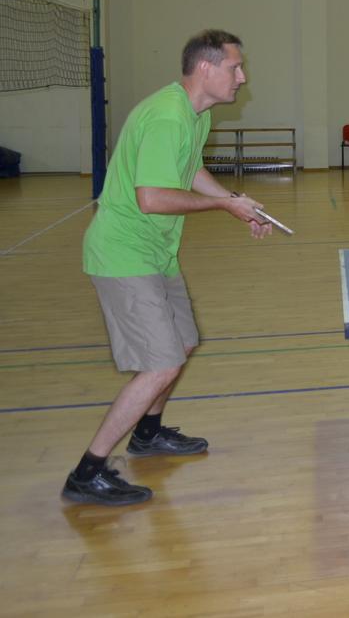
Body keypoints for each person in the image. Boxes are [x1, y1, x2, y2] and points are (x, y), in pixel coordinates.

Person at [63, 30, 274, 506]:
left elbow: (189, 169)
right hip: (124, 254)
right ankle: (88, 471)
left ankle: (148, 434)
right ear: (205, 68)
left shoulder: (196, 115)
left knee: (182, 343)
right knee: (162, 365)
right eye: (235, 68)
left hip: (157, 252)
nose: (242, 77)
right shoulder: (167, 116)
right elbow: (153, 198)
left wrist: (236, 203)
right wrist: (222, 207)